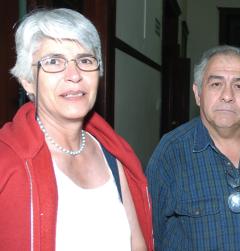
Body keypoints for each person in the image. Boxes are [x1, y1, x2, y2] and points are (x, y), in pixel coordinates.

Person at [0, 9, 153, 251]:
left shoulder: (114, 154)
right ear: (27, 80)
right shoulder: (6, 162)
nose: (74, 75)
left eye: (84, 60)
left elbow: (137, 244)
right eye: (53, 61)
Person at [146, 45, 240, 250]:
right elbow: (151, 235)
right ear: (197, 93)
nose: (227, 95)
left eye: (239, 86)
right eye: (216, 84)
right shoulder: (170, 153)